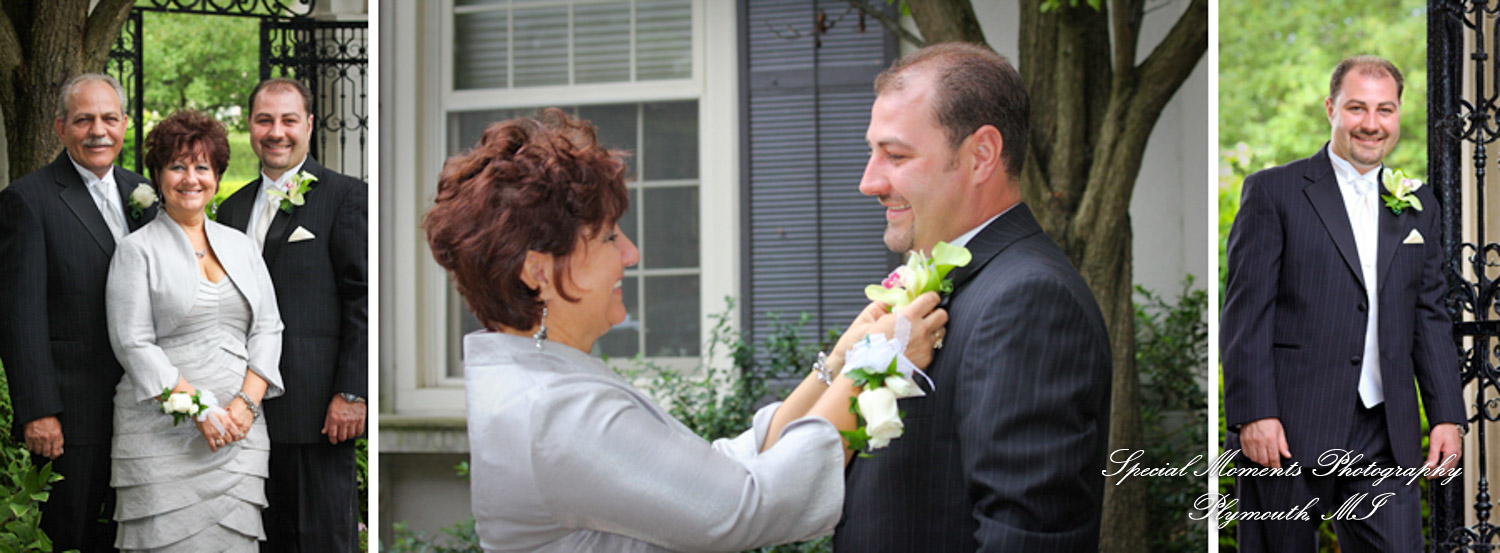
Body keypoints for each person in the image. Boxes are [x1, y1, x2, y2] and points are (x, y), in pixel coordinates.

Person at [424, 109, 949, 552]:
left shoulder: (542, 390)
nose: (630, 253)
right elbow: (747, 506)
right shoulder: (551, 414)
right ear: (538, 271)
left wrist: (836, 366)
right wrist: (878, 365)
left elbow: (715, 480)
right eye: (608, 238)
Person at [835, 42, 1113, 552]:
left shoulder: (1029, 300)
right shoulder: (960, 282)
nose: (868, 181)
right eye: (873, 152)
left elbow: (1026, 535)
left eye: (895, 155)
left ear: (981, 154)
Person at [1221, 55, 1465, 551]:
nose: (1371, 124)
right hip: (1286, 428)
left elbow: (1430, 314)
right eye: (1357, 108)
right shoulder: (1274, 192)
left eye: (1385, 109)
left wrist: (1446, 415)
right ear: (1331, 108)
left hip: (1384, 429)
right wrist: (1254, 413)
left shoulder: (1419, 204)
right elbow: (1247, 315)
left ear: (1398, 114)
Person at [104, 109, 285, 551]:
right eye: (177, 166)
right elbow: (133, 343)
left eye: (202, 166)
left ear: (217, 175)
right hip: (160, 439)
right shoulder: (136, 251)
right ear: (159, 176)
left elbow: (268, 328)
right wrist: (199, 410)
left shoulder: (240, 246)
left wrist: (245, 405)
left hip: (240, 436)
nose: (190, 178)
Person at [0, 73, 157, 552]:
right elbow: (18, 315)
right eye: (84, 119)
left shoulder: (146, 194)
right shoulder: (27, 200)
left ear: (125, 124)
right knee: (73, 536)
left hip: (142, 407)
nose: (98, 130)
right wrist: (39, 410)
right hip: (72, 414)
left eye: (109, 118)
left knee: (131, 534)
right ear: (59, 127)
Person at [214, 78, 368, 552]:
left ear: (309, 125)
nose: (276, 131)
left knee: (319, 538)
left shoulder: (345, 196)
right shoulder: (231, 209)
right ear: (250, 126)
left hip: (318, 409)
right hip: (245, 411)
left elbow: (362, 299)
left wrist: (352, 391)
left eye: (288, 120)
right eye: (265, 120)